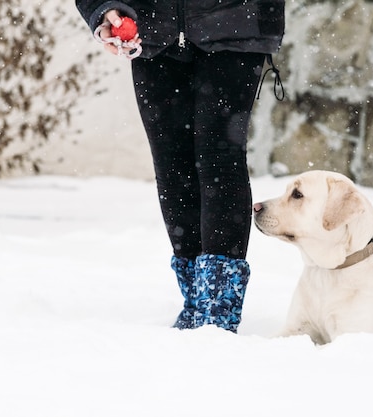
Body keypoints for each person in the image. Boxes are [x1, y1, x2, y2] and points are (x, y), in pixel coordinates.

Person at [75, 0, 285, 332]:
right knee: (172, 163)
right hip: (152, 29)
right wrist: (104, 7)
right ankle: (196, 298)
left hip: (234, 23)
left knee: (219, 157)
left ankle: (217, 303)